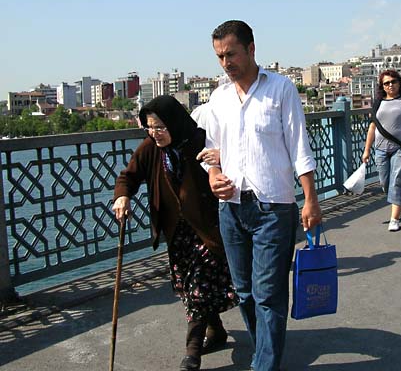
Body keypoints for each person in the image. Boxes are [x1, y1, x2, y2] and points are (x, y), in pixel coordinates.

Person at [201, 20, 321, 371]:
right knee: (245, 292)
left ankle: (263, 366)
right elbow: (212, 150)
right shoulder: (218, 97)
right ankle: (263, 355)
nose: (226, 63)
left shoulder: (281, 89)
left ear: (251, 49)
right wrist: (212, 176)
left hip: (273, 207)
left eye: (231, 54)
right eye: (220, 56)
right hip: (231, 210)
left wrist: (311, 199)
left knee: (268, 294)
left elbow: (300, 147)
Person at [112, 95, 238, 371]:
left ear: (173, 122)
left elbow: (230, 163)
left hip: (206, 228)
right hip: (176, 233)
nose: (154, 133)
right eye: (149, 127)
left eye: (159, 127)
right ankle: (215, 330)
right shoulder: (149, 149)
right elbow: (128, 177)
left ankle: (192, 353)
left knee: (198, 286)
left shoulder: (199, 141)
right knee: (191, 288)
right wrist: (122, 197)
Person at [362, 70, 401, 232]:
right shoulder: (378, 103)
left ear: (399, 82)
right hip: (381, 149)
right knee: (385, 183)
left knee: (397, 182)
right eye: (386, 83)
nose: (390, 85)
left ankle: (394, 218)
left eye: (393, 82)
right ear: (382, 86)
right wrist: (367, 149)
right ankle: (399, 203)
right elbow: (372, 126)